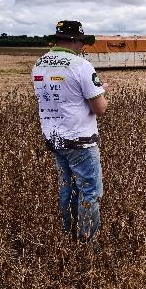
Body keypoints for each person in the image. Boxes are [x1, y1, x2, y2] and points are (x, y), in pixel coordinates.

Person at [31, 20, 108, 246]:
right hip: (80, 139)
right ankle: (88, 242)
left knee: (67, 187)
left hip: (53, 138)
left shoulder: (39, 64)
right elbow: (99, 108)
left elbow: (60, 97)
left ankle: (67, 233)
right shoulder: (80, 65)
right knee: (90, 192)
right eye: (82, 42)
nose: (82, 47)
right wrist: (102, 93)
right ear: (76, 40)